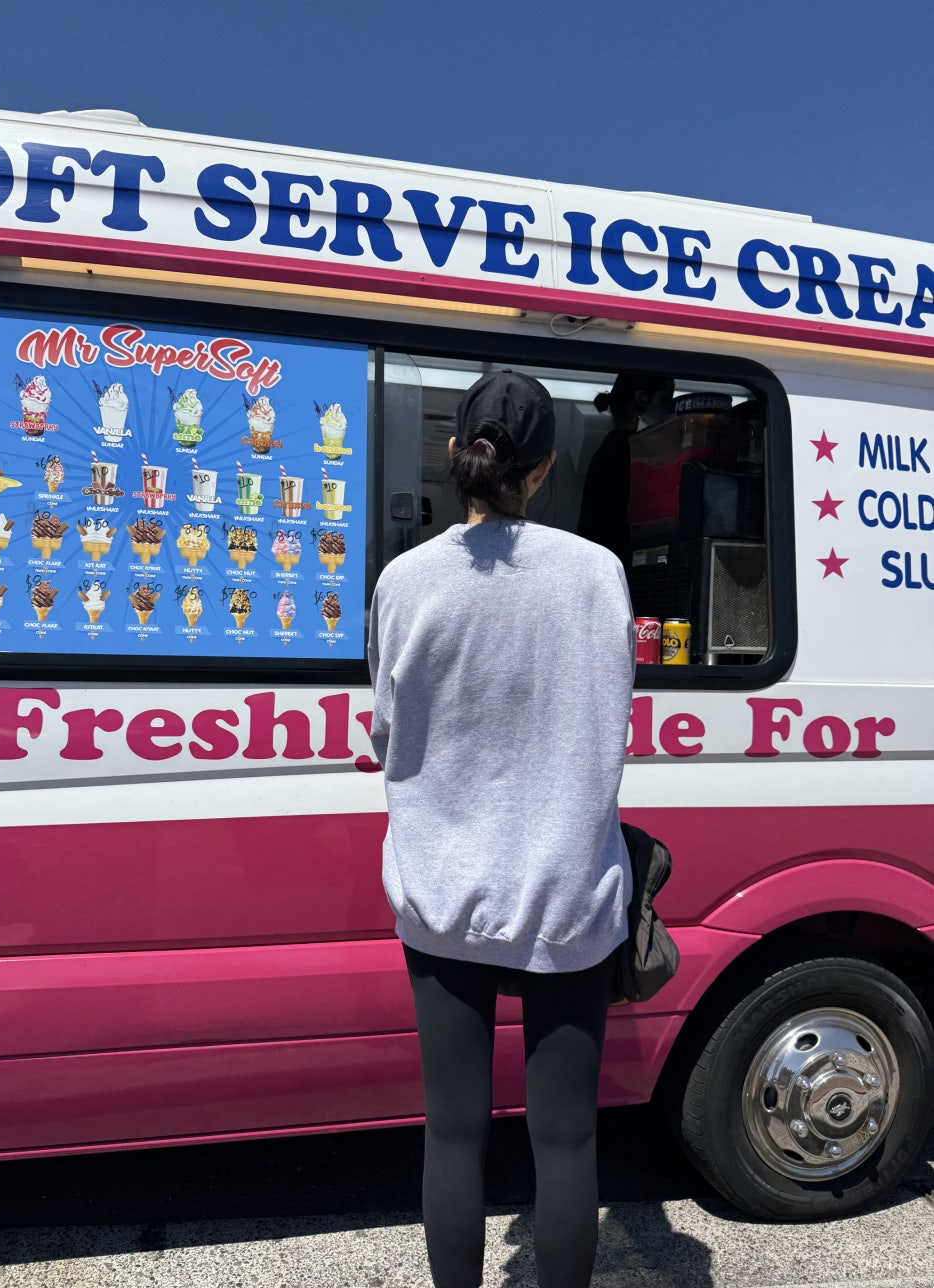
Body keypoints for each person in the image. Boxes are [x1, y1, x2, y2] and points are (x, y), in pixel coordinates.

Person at [368, 370, 636, 1288]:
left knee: (452, 1133)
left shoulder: (405, 580)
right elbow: (613, 721)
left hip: (441, 887)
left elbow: (387, 731)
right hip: (567, 889)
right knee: (566, 1142)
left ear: (456, 453)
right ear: (547, 469)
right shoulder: (597, 573)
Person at [577, 374, 674, 566]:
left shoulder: (610, 449)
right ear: (642, 399)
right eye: (666, 400)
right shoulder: (632, 451)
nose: (671, 411)